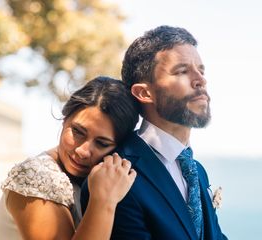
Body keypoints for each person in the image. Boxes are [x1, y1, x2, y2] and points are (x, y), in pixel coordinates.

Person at [81, 26, 228, 239]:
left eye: (201, 70)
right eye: (182, 71)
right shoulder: (117, 177)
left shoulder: (197, 171)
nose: (200, 80)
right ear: (144, 93)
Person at [0, 76, 139, 240]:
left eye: (102, 143)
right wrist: (104, 201)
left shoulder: (93, 180)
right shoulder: (37, 177)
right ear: (64, 119)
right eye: (77, 132)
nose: (83, 151)